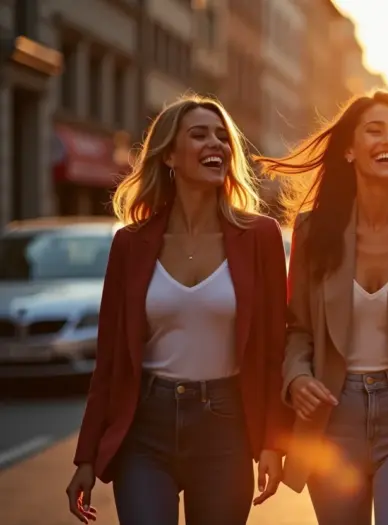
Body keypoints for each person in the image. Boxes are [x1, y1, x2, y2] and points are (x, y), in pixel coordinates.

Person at [65, 95, 293, 525]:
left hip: (225, 426)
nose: (217, 144)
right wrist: (86, 457)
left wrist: (273, 442)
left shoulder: (259, 237)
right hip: (144, 429)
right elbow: (110, 360)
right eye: (200, 135)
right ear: (169, 154)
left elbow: (273, 351)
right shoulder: (130, 243)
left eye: (223, 137)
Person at [254, 91, 388, 525]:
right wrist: (297, 378)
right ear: (349, 149)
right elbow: (299, 331)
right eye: (375, 130)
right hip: (333, 419)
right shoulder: (314, 230)